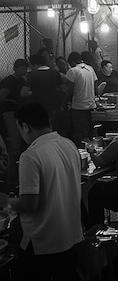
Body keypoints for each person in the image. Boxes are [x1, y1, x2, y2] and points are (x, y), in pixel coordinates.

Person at [0, 103, 83, 280]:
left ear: (25, 127)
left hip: (44, 244)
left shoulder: (31, 155)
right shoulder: (69, 145)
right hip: (72, 237)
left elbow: (30, 204)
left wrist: (5, 201)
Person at [21, 54, 65, 134]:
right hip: (53, 108)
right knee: (53, 130)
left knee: (40, 131)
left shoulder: (32, 74)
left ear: (35, 64)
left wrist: (33, 93)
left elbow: (23, 93)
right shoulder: (55, 73)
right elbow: (64, 89)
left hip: (38, 109)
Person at [64, 51, 97, 146]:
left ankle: (83, 155)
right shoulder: (90, 69)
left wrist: (64, 104)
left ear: (72, 62)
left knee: (80, 135)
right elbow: (95, 87)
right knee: (90, 134)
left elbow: (69, 90)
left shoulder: (72, 71)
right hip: (91, 106)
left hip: (78, 108)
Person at [0, 59, 29, 155]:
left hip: (19, 112)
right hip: (9, 112)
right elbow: (1, 97)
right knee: (14, 137)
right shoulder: (9, 81)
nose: (24, 71)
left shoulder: (22, 80)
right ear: (15, 69)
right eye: (22, 68)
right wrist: (12, 101)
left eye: (25, 68)